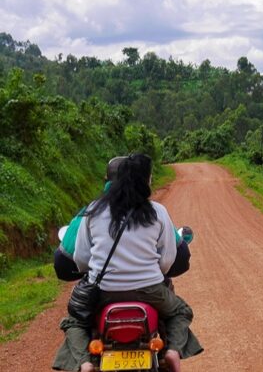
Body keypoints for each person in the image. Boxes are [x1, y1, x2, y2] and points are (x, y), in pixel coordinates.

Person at [52, 154, 202, 372]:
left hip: (103, 291)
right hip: (149, 289)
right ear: (146, 181)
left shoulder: (93, 211)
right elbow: (167, 261)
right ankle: (171, 351)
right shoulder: (158, 212)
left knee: (75, 321)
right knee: (180, 312)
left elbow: (82, 260)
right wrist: (148, 272)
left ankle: (84, 363)